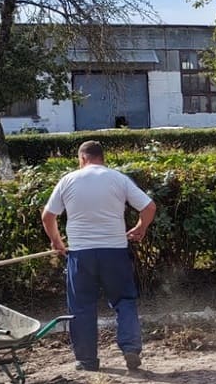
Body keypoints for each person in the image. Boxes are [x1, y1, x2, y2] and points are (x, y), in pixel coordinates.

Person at [41, 140, 157, 372]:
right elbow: (149, 207)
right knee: (124, 300)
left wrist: (57, 241)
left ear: (82, 158)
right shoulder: (118, 178)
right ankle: (130, 347)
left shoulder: (68, 180)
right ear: (102, 158)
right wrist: (140, 228)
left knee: (81, 306)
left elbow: (48, 216)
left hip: (81, 254)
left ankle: (87, 360)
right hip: (114, 252)